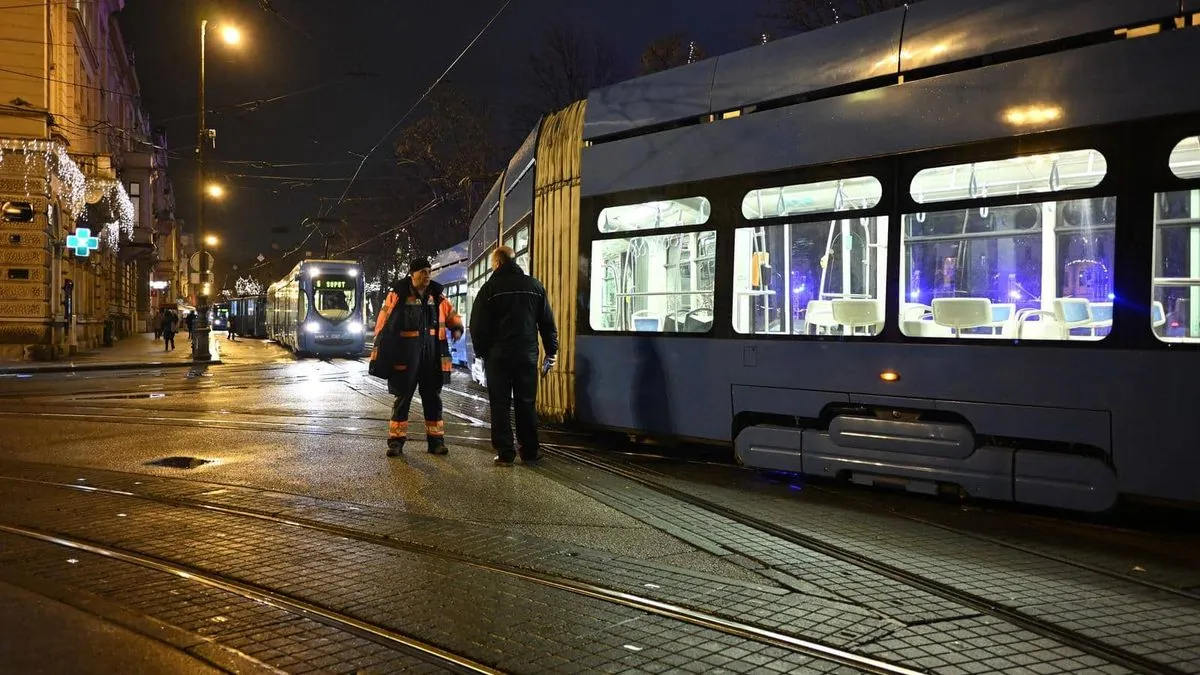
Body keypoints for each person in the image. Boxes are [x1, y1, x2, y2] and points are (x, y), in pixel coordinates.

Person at [468, 245, 558, 466]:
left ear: (497, 263)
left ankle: (505, 452)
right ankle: (529, 451)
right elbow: (547, 323)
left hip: (497, 358)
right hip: (526, 356)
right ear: (513, 261)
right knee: (526, 403)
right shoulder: (535, 286)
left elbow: (476, 325)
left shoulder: (489, 289)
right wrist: (551, 351)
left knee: (499, 404)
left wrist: (482, 352)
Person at [369, 256, 463, 457]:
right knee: (403, 399)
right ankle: (396, 442)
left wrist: (457, 327)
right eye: (423, 272)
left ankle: (436, 441)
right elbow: (383, 321)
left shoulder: (437, 295)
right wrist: (382, 348)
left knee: (433, 399)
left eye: (429, 272)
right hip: (405, 355)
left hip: (432, 356)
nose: (427, 275)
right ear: (412, 274)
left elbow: (451, 314)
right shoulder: (398, 294)